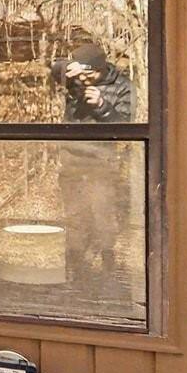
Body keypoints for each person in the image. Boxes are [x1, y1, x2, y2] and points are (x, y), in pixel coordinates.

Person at [49, 43, 136, 295]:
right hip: (72, 161)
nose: (84, 81)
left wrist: (102, 107)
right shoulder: (74, 79)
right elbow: (53, 69)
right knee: (75, 219)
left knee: (102, 218)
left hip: (102, 162)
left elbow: (124, 128)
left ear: (100, 69)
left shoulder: (122, 87)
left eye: (89, 75)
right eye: (80, 74)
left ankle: (108, 274)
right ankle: (75, 276)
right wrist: (66, 68)